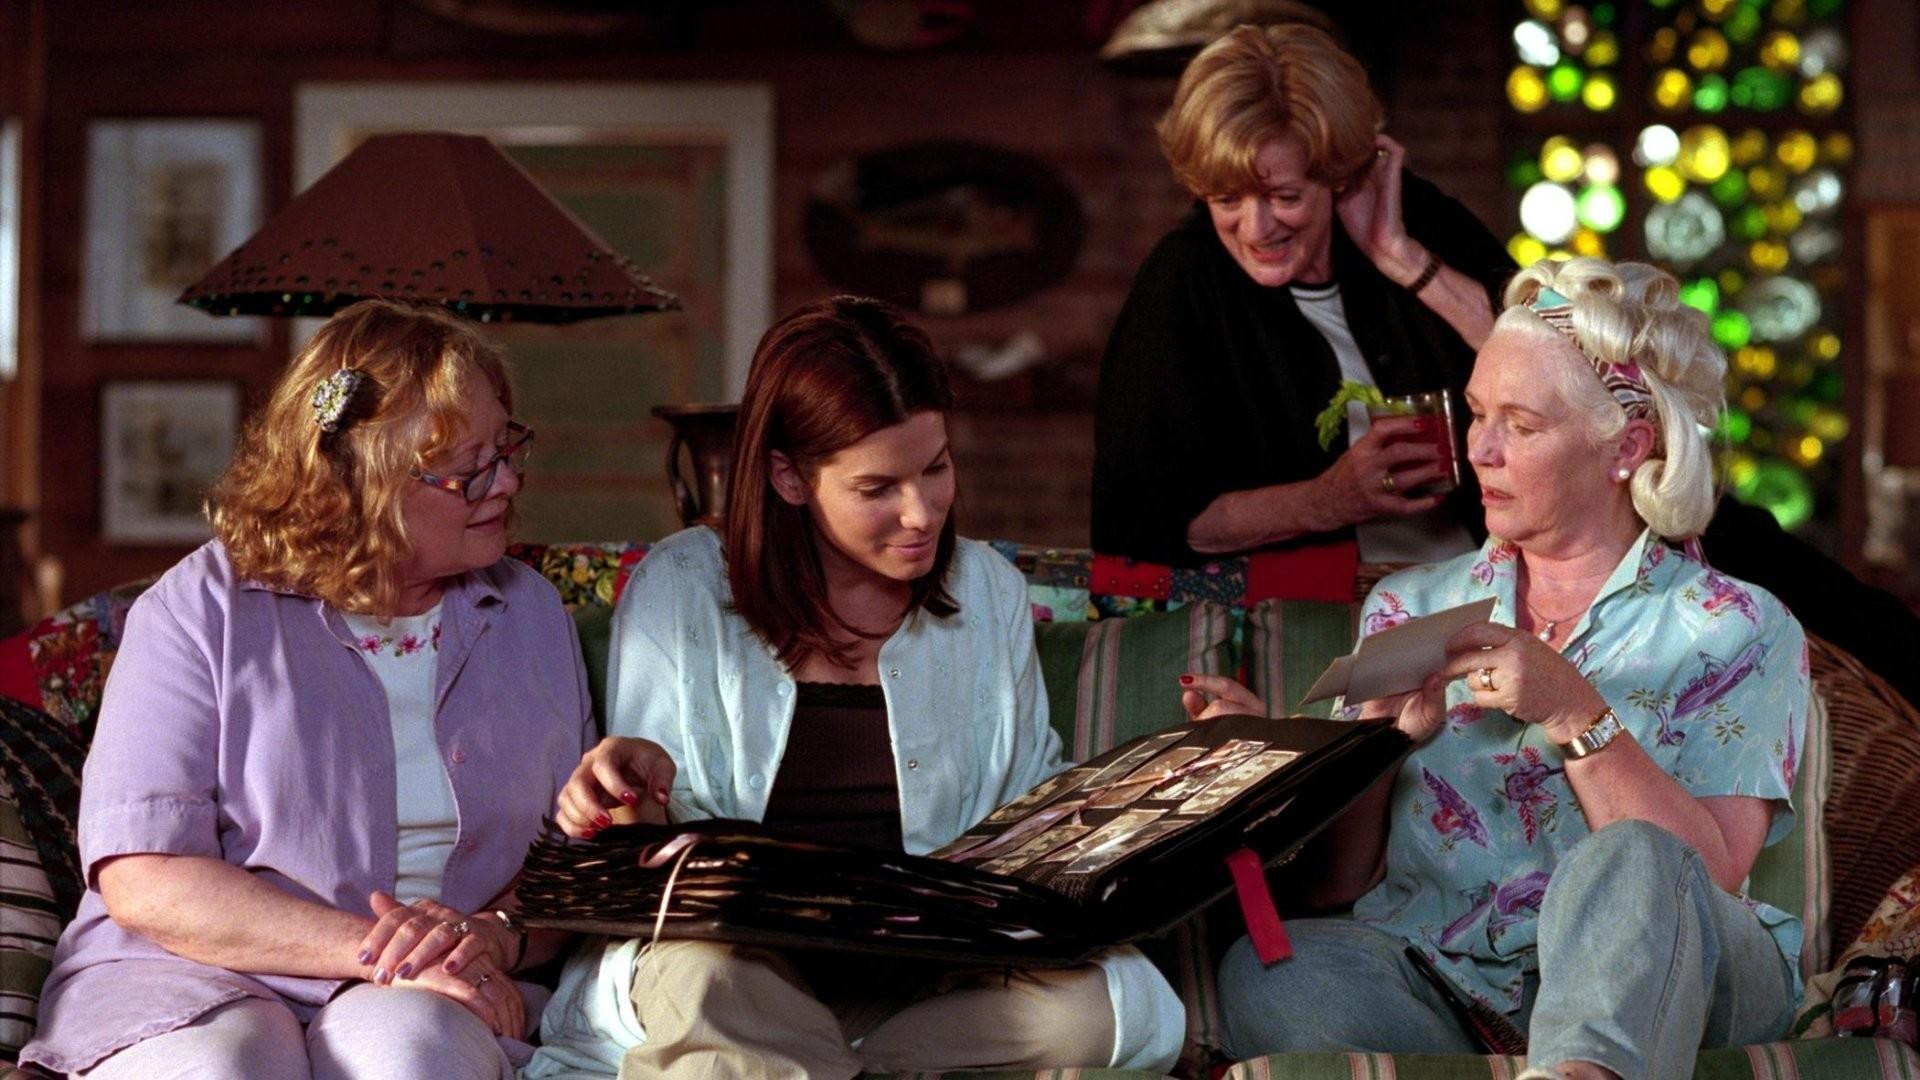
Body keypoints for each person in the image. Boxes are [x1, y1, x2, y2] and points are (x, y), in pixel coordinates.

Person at [522, 296, 1185, 1080]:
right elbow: (652, 862)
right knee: (704, 982)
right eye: (878, 488)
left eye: (936, 468)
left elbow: (1027, 808)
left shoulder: (987, 591)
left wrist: (1153, 794)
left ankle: (812, 1067)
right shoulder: (681, 589)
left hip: (930, 984)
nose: (921, 513)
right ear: (788, 478)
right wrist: (629, 788)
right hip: (742, 971)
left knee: (1102, 1009)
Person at [1214, 258, 1810, 1080]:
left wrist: (1575, 713)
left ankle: (1585, 1061)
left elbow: (1704, 878)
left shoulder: (1736, 623)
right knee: (1273, 969)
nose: (1481, 450)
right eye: (1477, 413)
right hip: (1446, 987)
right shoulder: (1409, 604)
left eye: (1521, 426)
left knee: (1633, 856)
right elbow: (1337, 884)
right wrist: (1376, 744)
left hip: (1680, 983)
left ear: (1626, 447)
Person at [20, 300, 594, 1079]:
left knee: (412, 1058)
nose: (507, 482)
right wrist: (386, 952)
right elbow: (144, 878)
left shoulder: (531, 615)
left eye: (507, 448)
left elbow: (576, 859)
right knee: (226, 1067)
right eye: (469, 468)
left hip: (441, 986)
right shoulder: (199, 611)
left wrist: (497, 934)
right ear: (360, 477)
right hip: (190, 970)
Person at [1092, 21, 1515, 568]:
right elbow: (1139, 523)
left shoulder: (1411, 213)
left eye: (1284, 197)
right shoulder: (1184, 278)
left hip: (1489, 578)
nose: (1255, 229)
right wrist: (1328, 500)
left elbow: (1557, 367)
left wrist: (1402, 258)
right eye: (1226, 199)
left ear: (1336, 174)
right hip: (1312, 609)